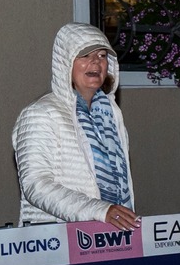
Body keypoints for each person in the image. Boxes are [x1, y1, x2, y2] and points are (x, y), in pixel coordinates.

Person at [12, 24, 137, 228]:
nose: (96, 62)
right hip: (53, 239)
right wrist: (99, 210)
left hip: (105, 236)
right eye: (85, 55)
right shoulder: (40, 113)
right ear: (65, 63)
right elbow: (36, 185)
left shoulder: (110, 115)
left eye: (102, 55)